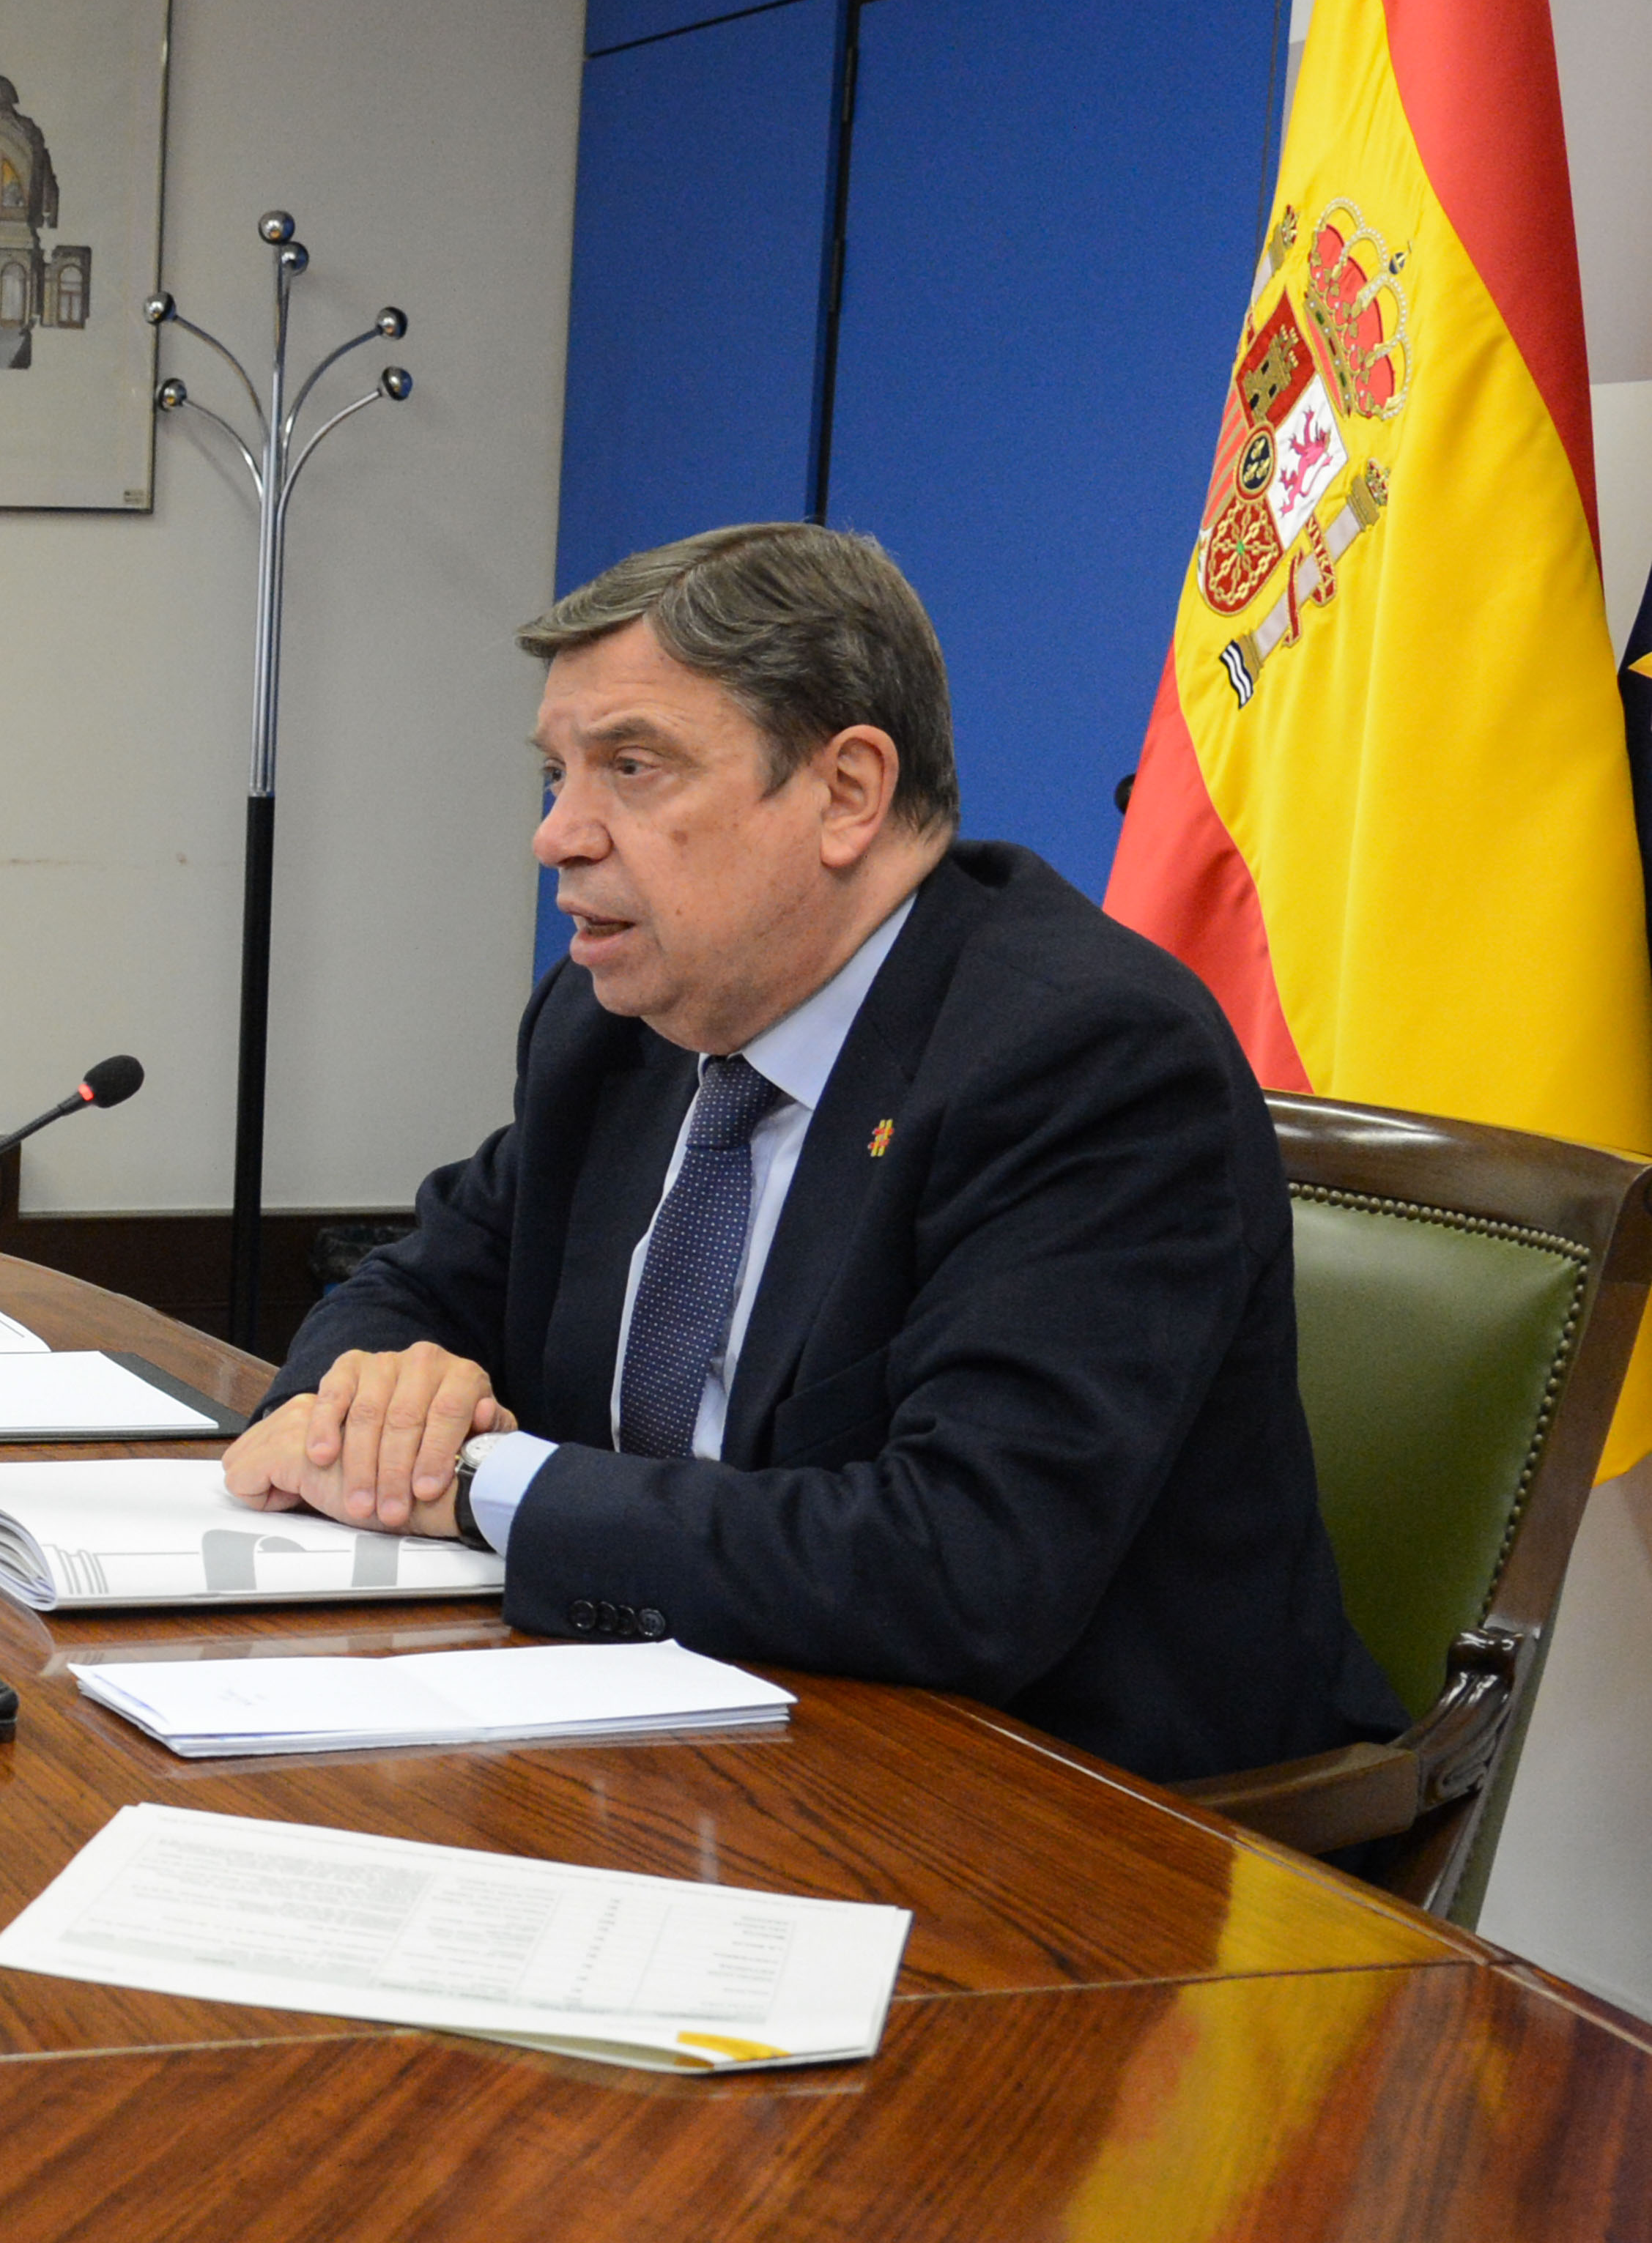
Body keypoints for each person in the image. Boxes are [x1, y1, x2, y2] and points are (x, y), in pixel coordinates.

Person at [223, 523, 1402, 1783]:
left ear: (847, 793)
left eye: (632, 768)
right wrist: (374, 1398)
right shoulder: (618, 1023)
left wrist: (477, 1483)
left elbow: (963, 1564)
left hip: (1065, 1807)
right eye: (557, 776)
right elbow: (412, 1285)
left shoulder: (1085, 1058)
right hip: (682, 1732)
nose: (558, 835)